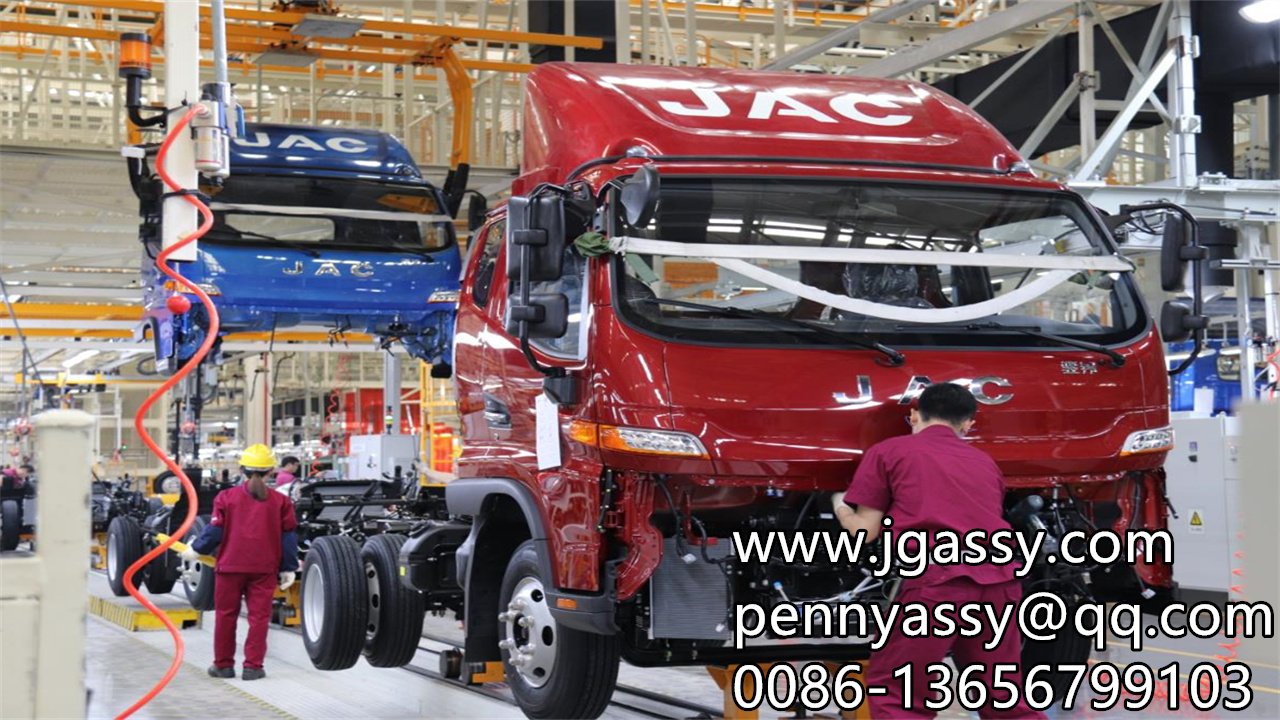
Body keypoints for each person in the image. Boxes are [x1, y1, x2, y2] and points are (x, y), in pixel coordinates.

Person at [833, 383, 1044, 720]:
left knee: (900, 692)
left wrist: (841, 507)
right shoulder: (984, 461)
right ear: (968, 424)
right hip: (1001, 582)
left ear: (914, 415)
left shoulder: (889, 451)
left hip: (938, 582)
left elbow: (865, 531)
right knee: (1002, 696)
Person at [181, 444, 299, 680]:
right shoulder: (281, 501)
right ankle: (253, 667)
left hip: (229, 568)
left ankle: (223, 666)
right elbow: (288, 538)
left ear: (242, 468)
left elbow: (215, 531)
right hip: (264, 569)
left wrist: (196, 548)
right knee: (259, 619)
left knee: (226, 616)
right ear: (271, 471)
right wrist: (288, 568)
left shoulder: (226, 497)